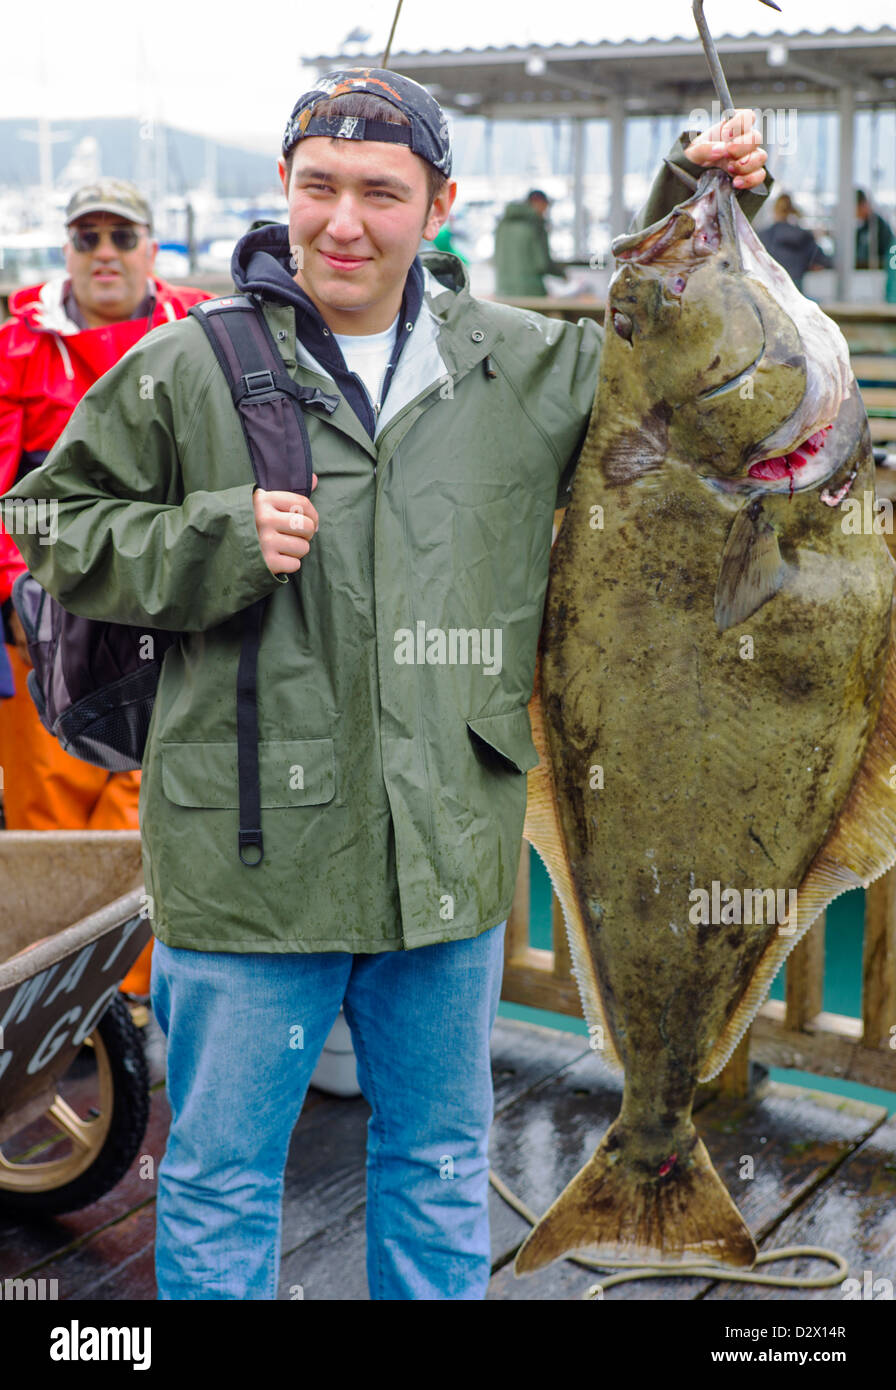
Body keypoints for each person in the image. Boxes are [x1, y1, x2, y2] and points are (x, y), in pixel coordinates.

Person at [3, 69, 770, 1301]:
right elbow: (45, 513)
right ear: (282, 189)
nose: (342, 222)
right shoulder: (185, 365)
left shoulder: (524, 364)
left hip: (446, 860)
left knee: (439, 1161)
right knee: (217, 1176)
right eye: (318, 187)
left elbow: (673, 354)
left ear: (439, 205)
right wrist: (211, 536)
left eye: (380, 191)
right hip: (244, 869)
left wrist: (699, 191)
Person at [0, 178, 210, 995]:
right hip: (41, 615)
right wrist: (21, 600)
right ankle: (55, 999)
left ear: (151, 250)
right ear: (67, 252)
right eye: (87, 238)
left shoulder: (195, 331)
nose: (105, 254)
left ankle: (132, 996)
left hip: (159, 606)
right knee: (49, 809)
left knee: (152, 803)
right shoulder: (16, 348)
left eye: (122, 238)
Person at [494, 188, 567, 297]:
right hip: (531, 291)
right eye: (545, 206)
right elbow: (542, 263)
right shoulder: (535, 225)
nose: (545, 211)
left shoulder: (503, 224)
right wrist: (563, 275)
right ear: (539, 203)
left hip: (504, 291)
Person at [759, 192, 832, 292]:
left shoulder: (763, 236)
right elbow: (823, 261)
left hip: (770, 288)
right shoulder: (804, 236)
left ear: (775, 210)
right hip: (795, 289)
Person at [855, 189, 895, 272]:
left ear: (863, 205)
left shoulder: (879, 226)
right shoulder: (861, 229)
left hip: (877, 274)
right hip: (863, 274)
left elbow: (888, 255)